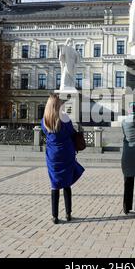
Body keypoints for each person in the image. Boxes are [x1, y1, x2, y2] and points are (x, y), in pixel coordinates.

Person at [41, 94, 85, 224]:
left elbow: (45, 132)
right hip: (66, 153)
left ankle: (54, 216)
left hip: (52, 155)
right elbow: (71, 132)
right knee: (67, 183)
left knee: (54, 184)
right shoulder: (64, 118)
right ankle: (68, 213)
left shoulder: (45, 119)